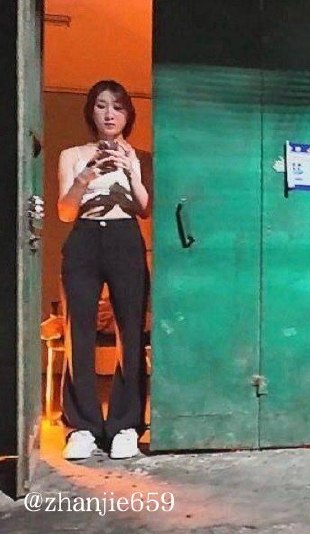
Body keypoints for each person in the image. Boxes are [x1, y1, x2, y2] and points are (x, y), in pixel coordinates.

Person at [57, 80, 149, 460]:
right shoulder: (72, 154)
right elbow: (65, 213)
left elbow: (144, 208)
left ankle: (126, 425)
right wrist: (85, 177)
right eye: (101, 106)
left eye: (118, 107)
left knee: (131, 331)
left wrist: (131, 173)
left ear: (128, 114)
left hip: (125, 238)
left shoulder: (136, 156)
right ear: (90, 112)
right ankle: (82, 427)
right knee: (78, 331)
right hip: (84, 237)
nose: (110, 114)